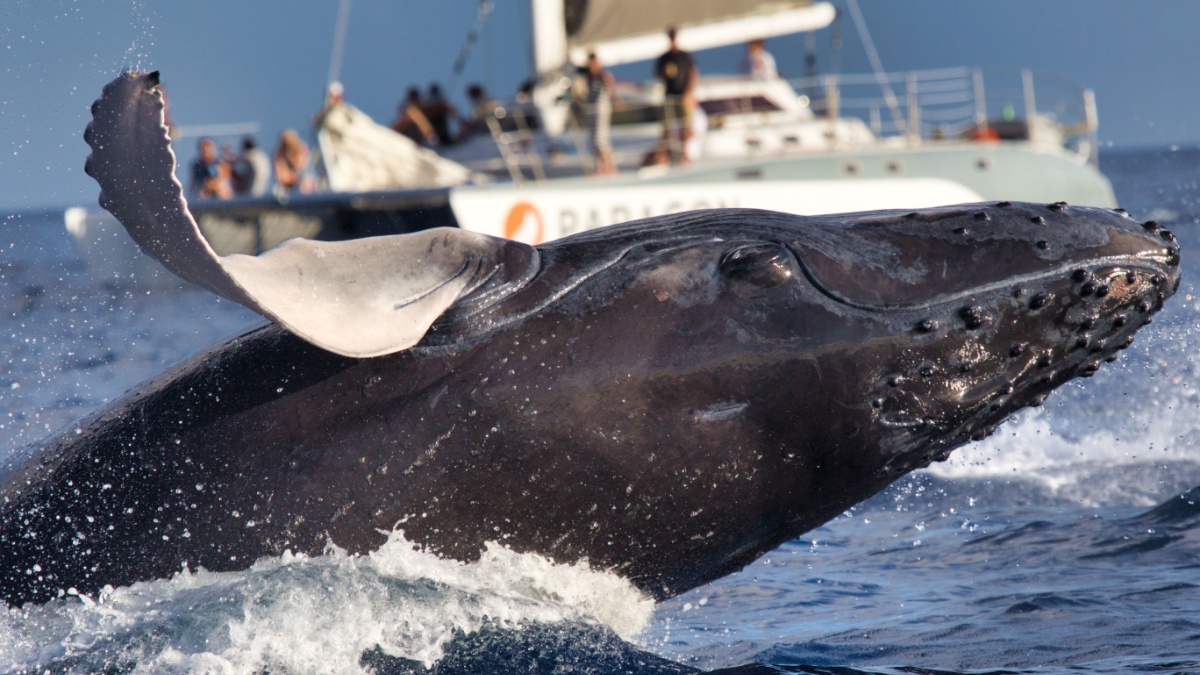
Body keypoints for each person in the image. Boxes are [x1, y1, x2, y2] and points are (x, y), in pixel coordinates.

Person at [654, 27, 697, 165]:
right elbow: (658, 74)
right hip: (670, 96)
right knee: (667, 128)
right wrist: (665, 71)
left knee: (686, 127)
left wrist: (689, 92)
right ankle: (668, 155)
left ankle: (684, 154)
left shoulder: (684, 56)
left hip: (683, 95)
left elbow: (693, 73)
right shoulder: (665, 57)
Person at [577, 52, 622, 175]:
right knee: (593, 139)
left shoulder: (602, 75)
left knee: (600, 138)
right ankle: (600, 167)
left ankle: (609, 166)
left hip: (601, 110)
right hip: (591, 111)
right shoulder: (587, 75)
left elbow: (611, 87)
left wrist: (617, 101)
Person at [273, 129, 311, 194]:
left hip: (304, 185)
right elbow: (281, 177)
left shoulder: (301, 150)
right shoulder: (280, 154)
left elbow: (302, 167)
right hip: (288, 187)